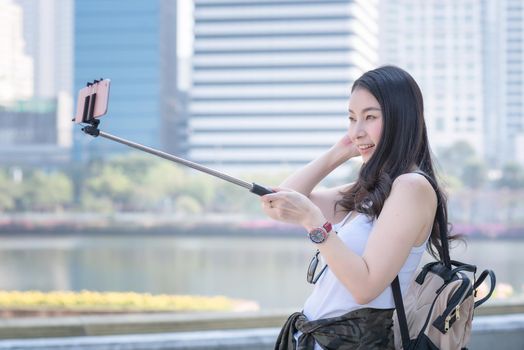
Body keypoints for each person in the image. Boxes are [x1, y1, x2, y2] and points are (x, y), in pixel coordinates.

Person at [260, 65, 453, 349]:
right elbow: (277, 203)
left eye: (370, 117)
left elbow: (365, 287)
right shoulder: (369, 189)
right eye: (351, 119)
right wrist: (339, 152)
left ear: (401, 119)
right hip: (313, 339)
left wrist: (317, 224)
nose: (357, 131)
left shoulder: (412, 187)